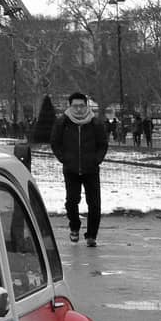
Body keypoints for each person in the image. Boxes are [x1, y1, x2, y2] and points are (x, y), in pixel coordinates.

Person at [49, 90, 110, 245]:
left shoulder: (95, 123)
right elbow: (55, 142)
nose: (78, 109)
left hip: (91, 168)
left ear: (86, 106)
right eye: (75, 106)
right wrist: (64, 159)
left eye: (81, 106)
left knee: (94, 203)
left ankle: (91, 236)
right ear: (70, 107)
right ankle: (74, 226)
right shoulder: (63, 122)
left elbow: (103, 144)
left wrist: (96, 160)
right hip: (71, 168)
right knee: (71, 201)